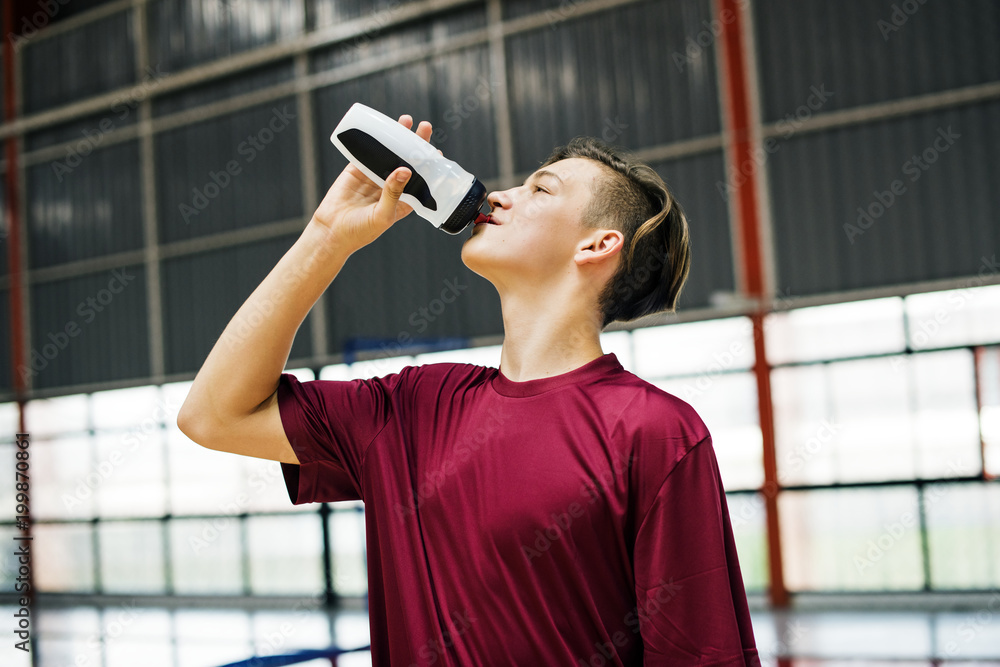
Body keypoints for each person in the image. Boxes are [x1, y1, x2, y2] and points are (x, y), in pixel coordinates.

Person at [178, 113, 760, 666]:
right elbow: (213, 416)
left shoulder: (655, 430)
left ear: (596, 246)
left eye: (541, 190)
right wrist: (327, 236)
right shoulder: (413, 406)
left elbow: (700, 651)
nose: (501, 195)